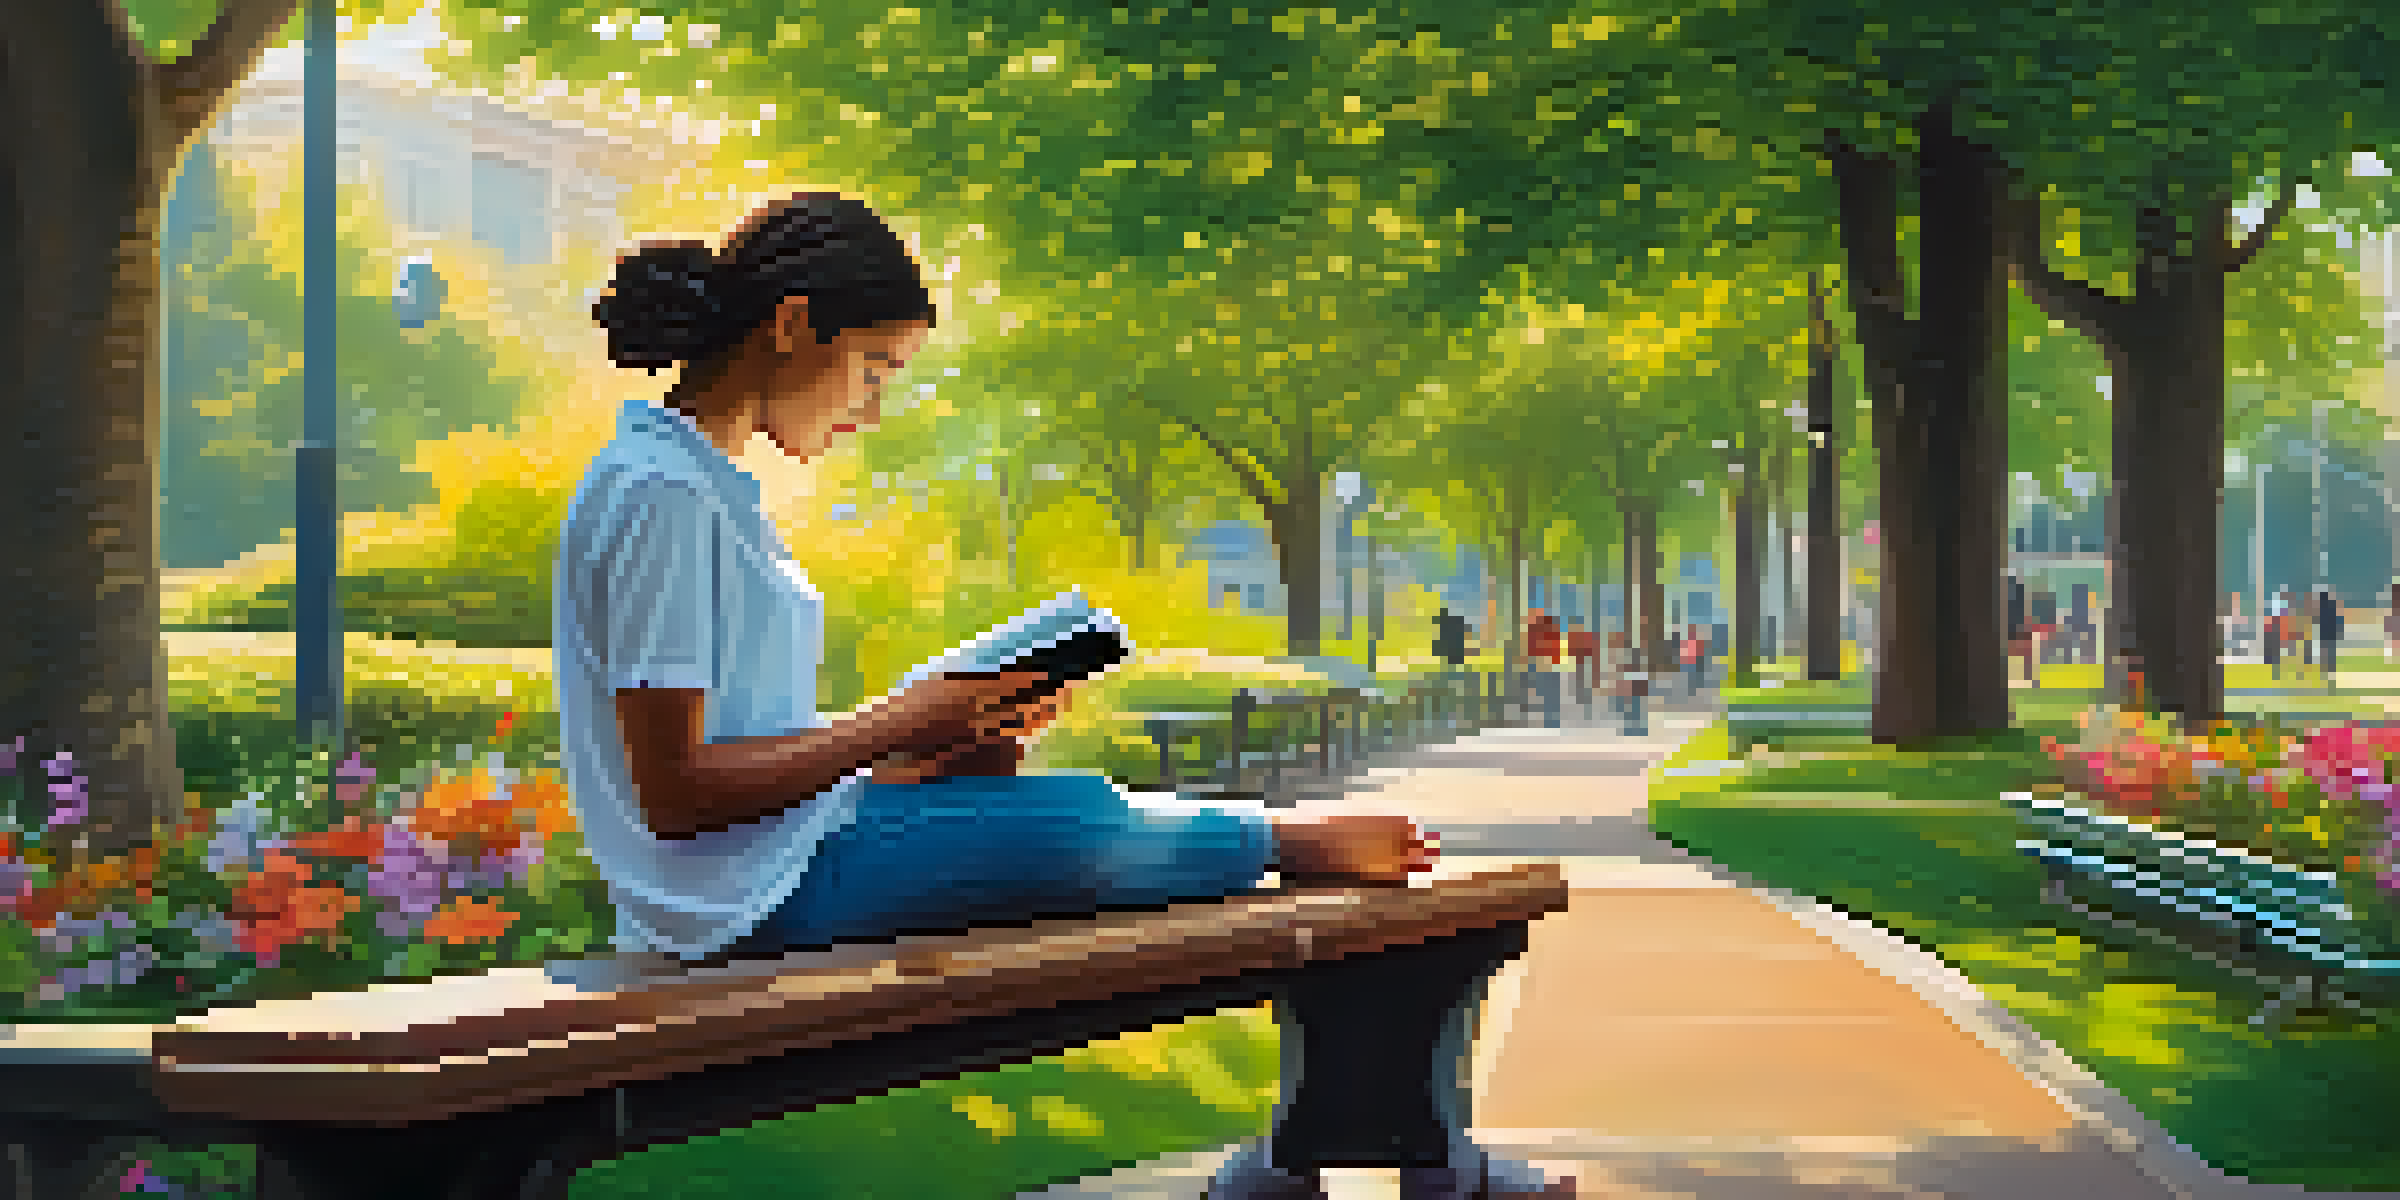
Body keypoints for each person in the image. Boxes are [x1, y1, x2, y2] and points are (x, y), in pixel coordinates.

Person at [564, 192, 1440, 983]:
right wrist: (898, 725)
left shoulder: (702, 485)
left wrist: (929, 747)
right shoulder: (664, 495)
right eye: (871, 371)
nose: (868, 410)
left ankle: (1263, 837)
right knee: (1076, 820)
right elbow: (675, 796)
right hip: (743, 902)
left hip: (777, 860)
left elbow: (750, 750)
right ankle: (1285, 840)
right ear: (793, 326)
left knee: (1043, 801)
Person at [2320, 588, 2344, 689]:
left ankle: (2327, 675)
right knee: (2329, 655)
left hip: (2326, 636)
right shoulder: (2331, 608)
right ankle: (2329, 675)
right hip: (2329, 635)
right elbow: (2338, 621)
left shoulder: (2323, 609)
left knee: (2327, 655)